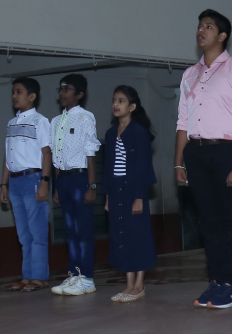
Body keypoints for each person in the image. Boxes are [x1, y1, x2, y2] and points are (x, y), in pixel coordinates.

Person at [174, 9, 232, 309]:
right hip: (196, 152)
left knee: (230, 221)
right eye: (200, 26)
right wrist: (179, 162)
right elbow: (182, 121)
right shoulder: (190, 74)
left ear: (222, 36)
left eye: (208, 27)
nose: (201, 30)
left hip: (227, 151)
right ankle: (217, 280)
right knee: (208, 221)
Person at [103, 85, 158, 302]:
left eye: (121, 101)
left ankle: (139, 285)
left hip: (133, 190)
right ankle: (128, 284)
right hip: (115, 190)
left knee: (138, 236)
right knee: (121, 235)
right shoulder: (110, 134)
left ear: (132, 107)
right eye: (114, 100)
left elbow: (142, 167)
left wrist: (139, 197)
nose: (116, 104)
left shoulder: (139, 132)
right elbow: (108, 168)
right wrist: (108, 196)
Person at [49, 74, 101, 296]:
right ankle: (74, 274)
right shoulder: (55, 121)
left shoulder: (85, 117)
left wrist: (92, 185)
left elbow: (90, 152)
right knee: (70, 231)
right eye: (61, 89)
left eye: (67, 89)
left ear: (79, 94)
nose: (62, 93)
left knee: (83, 230)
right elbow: (56, 155)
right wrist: (56, 185)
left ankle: (87, 278)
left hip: (81, 179)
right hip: (63, 179)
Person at [0, 77, 53, 292]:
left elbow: (47, 154)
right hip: (14, 182)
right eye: (13, 92)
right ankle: (27, 276)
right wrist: (4, 183)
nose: (14, 96)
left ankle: (39, 277)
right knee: (24, 234)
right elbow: (7, 155)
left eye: (19, 92)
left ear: (32, 96)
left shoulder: (40, 121)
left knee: (37, 232)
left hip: (33, 179)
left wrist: (44, 182)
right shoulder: (11, 123)